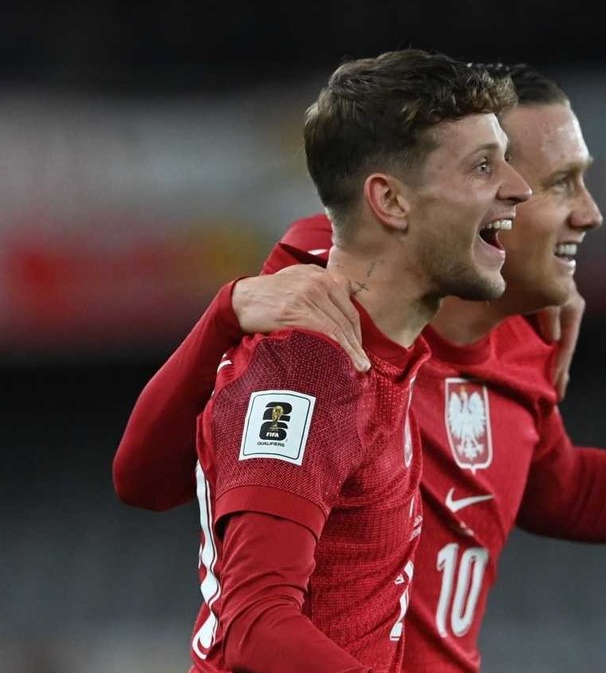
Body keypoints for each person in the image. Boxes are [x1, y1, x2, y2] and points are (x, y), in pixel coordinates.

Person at [115, 64, 606, 672]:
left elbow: (561, 486)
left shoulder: (512, 341)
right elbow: (218, 566)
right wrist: (229, 308)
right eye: (557, 183)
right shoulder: (321, 320)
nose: (589, 212)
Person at [176, 50, 529, 672]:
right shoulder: (311, 371)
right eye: (482, 166)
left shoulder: (375, 346)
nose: (517, 186)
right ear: (390, 202)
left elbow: (138, 478)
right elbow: (256, 627)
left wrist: (223, 313)